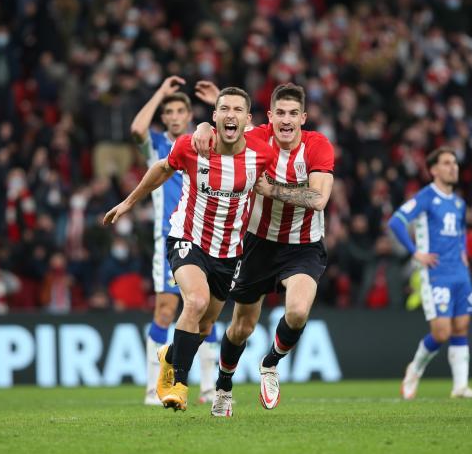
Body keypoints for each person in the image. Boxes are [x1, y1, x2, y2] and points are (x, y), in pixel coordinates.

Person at [103, 87, 274, 412]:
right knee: (193, 301)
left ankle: (170, 355)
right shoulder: (194, 144)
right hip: (187, 237)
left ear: (248, 120)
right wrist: (128, 202)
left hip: (228, 252)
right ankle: (177, 383)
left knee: (207, 324)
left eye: (238, 110)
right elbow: (162, 168)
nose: (230, 115)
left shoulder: (261, 154)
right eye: (224, 109)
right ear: (213, 114)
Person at [193, 82, 335, 416]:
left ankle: (270, 364)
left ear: (304, 117)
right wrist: (202, 125)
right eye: (280, 114)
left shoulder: (318, 146)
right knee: (242, 327)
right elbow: (219, 132)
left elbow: (319, 199)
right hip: (257, 242)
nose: (286, 121)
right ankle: (224, 388)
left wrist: (271, 190)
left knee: (298, 312)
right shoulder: (255, 138)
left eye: (293, 114)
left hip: (303, 246)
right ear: (270, 116)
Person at [129, 75, 218, 406]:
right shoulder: (157, 144)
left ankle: (210, 389)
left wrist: (217, 104)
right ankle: (154, 388)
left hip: (208, 236)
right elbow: (137, 130)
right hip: (169, 237)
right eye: (170, 111)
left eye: (181, 110)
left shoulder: (206, 141)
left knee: (208, 309)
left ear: (189, 114)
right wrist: (159, 93)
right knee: (165, 309)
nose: (176, 116)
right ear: (164, 116)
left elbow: (241, 133)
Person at [387, 147, 472, 400]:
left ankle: (460, 387)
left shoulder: (459, 203)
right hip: (436, 273)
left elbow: (460, 232)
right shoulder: (425, 197)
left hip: (460, 273)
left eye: (454, 162)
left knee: (461, 327)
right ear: (433, 170)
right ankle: (414, 370)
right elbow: (396, 221)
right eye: (446, 163)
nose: (453, 167)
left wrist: (463, 251)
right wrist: (414, 252)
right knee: (441, 332)